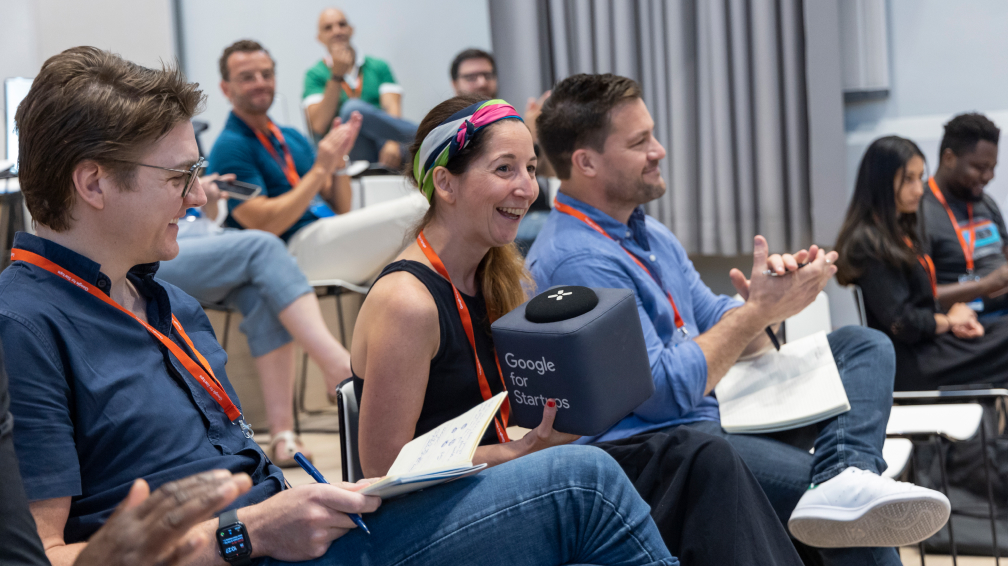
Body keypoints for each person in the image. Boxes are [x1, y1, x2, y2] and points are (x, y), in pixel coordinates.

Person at [3, 45, 678, 566]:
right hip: (259, 550)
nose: (198, 197)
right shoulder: (24, 327)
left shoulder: (171, 303)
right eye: (181, 175)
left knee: (632, 480)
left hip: (305, 529)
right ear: (93, 182)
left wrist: (286, 508)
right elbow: (44, 555)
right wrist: (244, 535)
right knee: (584, 483)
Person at [350, 94, 807, 565]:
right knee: (595, 473)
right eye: (505, 169)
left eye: (530, 168)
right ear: (445, 183)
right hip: (431, 521)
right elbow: (385, 470)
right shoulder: (407, 302)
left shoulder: (497, 278)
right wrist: (520, 451)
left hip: (495, 482)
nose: (527, 188)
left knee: (701, 459)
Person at [526, 73, 951, 565]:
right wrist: (754, 315)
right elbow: (663, 390)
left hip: (717, 414)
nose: (660, 150)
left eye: (654, 134)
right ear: (586, 162)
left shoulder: (649, 233)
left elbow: (712, 314)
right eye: (641, 142)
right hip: (662, 448)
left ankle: (846, 473)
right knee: (858, 523)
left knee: (864, 345)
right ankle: (843, 488)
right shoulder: (576, 261)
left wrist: (773, 302)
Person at [156, 172, 354, 466]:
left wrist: (208, 205)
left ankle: (282, 433)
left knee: (258, 295)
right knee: (264, 246)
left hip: (200, 237)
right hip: (161, 245)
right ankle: (338, 366)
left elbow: (202, 221)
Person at [210, 39, 428, 282]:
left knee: (416, 233)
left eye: (267, 74)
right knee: (422, 206)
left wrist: (339, 162)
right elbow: (264, 225)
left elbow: (341, 207)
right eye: (247, 77)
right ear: (226, 89)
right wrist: (321, 167)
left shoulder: (291, 136)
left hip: (321, 235)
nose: (261, 83)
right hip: (288, 250)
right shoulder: (229, 147)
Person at [836, 136, 1008, 391]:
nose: (919, 189)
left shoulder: (900, 232)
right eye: (909, 179)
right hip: (914, 362)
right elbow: (903, 323)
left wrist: (954, 318)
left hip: (931, 346)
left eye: (920, 177)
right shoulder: (868, 243)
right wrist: (948, 321)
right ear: (882, 182)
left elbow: (920, 304)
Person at [450, 48, 554, 252]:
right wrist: (530, 137)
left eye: (487, 75)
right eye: (471, 77)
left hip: (532, 212)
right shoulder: (452, 132)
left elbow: (549, 174)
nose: (481, 82)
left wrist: (538, 138)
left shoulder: (509, 120)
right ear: (455, 84)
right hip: (502, 219)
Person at [918, 113, 1008, 319]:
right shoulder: (920, 211)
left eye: (993, 168)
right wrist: (984, 285)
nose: (988, 177)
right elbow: (920, 298)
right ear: (949, 158)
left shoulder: (986, 203)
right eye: (979, 168)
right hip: (962, 325)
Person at [303, 7, 416, 169]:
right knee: (352, 109)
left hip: (385, 146)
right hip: (347, 153)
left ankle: (424, 139)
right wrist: (336, 76)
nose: (337, 31)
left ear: (351, 30)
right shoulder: (315, 75)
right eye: (328, 28)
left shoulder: (378, 66)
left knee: (355, 110)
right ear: (319, 38)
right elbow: (319, 125)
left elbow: (393, 108)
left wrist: (393, 142)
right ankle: (424, 133)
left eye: (342, 24)